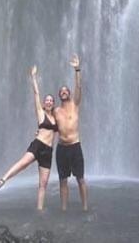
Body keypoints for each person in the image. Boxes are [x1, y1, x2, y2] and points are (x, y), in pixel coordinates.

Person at [0, 66, 58, 210]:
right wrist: (33, 77)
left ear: (53, 104)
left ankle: (39, 209)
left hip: (48, 151)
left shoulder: (56, 118)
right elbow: (36, 93)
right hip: (38, 145)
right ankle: (3, 179)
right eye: (46, 100)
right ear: (44, 103)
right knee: (23, 164)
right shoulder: (41, 113)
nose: (48, 102)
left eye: (51, 101)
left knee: (43, 184)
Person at [54, 54, 88, 212]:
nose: (63, 93)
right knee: (62, 181)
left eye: (66, 91)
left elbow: (79, 87)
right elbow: (47, 124)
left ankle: (85, 207)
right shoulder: (56, 111)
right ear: (59, 95)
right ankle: (63, 209)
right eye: (61, 92)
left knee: (80, 179)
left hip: (75, 146)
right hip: (61, 149)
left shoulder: (75, 104)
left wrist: (77, 69)